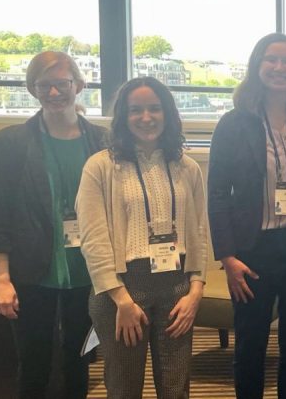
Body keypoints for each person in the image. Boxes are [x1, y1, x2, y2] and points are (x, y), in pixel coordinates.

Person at [207, 33, 286, 399]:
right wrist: (227, 257)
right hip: (252, 250)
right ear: (257, 66)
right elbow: (216, 193)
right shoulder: (234, 123)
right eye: (271, 60)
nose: (280, 68)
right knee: (251, 344)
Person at [76, 77, 210, 398]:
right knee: (124, 387)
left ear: (168, 114)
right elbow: (93, 240)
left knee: (176, 387)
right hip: (121, 290)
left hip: (176, 286)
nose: (146, 117)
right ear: (123, 116)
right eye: (136, 110)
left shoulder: (187, 167)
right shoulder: (100, 167)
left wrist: (195, 291)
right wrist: (121, 299)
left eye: (154, 109)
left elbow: (200, 233)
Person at [0, 51, 108, 399]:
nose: (54, 93)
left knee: (79, 358)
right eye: (44, 85)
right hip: (31, 271)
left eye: (61, 84)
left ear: (78, 85)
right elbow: (1, 210)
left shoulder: (102, 140)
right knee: (33, 361)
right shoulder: (12, 141)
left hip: (88, 269)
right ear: (33, 89)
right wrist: (1, 277)